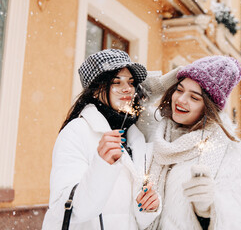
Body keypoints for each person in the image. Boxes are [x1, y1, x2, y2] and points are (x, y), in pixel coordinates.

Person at [42, 49, 161, 230]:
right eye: (116, 82)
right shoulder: (76, 132)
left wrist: (148, 207)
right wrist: (102, 165)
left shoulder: (136, 138)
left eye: (131, 82)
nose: (127, 89)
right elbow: (68, 208)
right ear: (96, 90)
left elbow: (133, 217)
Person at [139, 56, 241, 229]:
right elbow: (128, 96)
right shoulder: (154, 128)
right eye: (179, 90)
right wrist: (163, 83)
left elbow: (235, 221)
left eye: (194, 98)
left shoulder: (231, 153)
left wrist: (208, 209)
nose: (181, 100)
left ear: (208, 107)